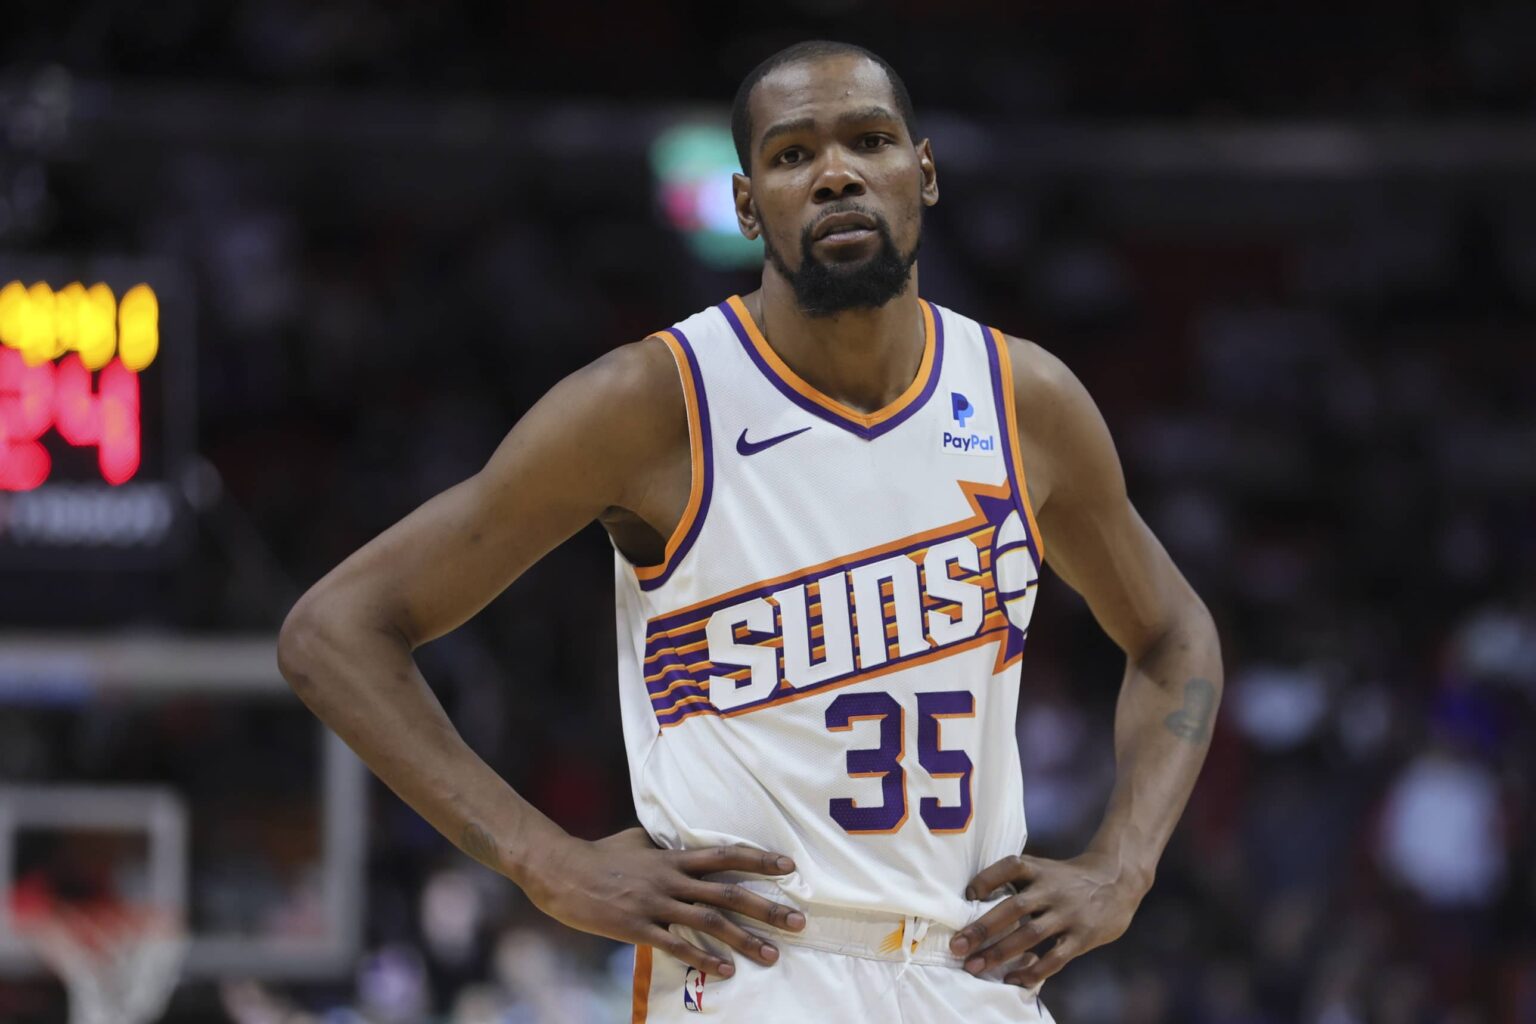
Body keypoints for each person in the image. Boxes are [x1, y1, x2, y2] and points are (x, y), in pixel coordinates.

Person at [277, 39, 1223, 1022]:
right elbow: (333, 631)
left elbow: (1176, 636)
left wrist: (1123, 867)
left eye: (869, 141)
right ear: (745, 205)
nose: (836, 174)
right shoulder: (653, 402)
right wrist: (542, 860)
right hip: (751, 972)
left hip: (971, 976)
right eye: (792, 154)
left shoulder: (1024, 401)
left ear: (924, 172)